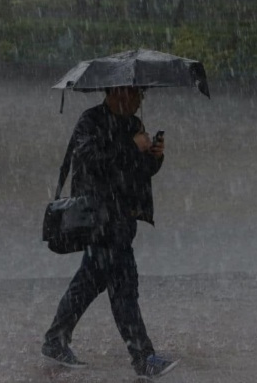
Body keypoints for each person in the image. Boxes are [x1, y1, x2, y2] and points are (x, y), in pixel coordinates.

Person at [42, 86, 178, 378]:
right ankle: (143, 357)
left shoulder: (133, 124)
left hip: (123, 219)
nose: (141, 99)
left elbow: (138, 169)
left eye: (142, 94)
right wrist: (131, 147)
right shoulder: (90, 122)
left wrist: (154, 157)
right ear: (118, 92)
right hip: (101, 220)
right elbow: (91, 162)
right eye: (137, 93)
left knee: (89, 283)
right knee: (123, 288)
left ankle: (56, 339)